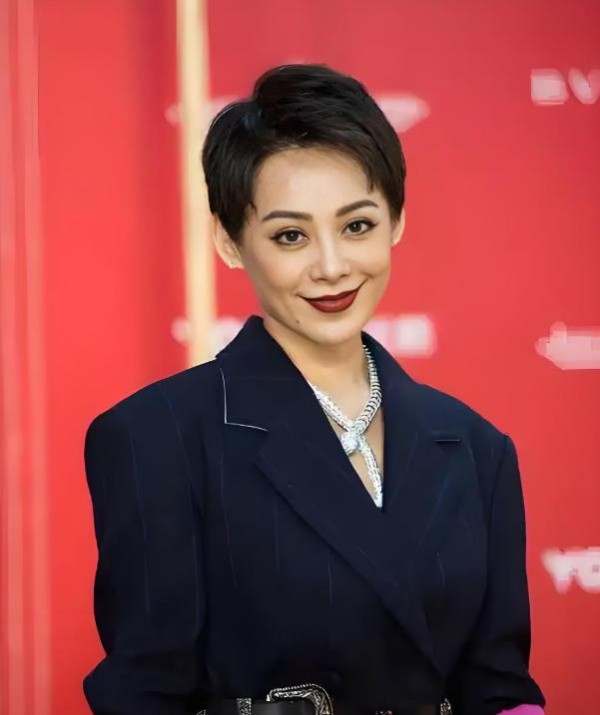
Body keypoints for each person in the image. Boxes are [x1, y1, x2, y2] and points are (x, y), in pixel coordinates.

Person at [83, 64, 546, 715]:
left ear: (397, 219)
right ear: (229, 241)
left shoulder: (478, 449)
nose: (332, 266)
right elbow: (145, 694)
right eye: (290, 236)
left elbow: (499, 687)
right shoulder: (155, 438)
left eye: (357, 225)